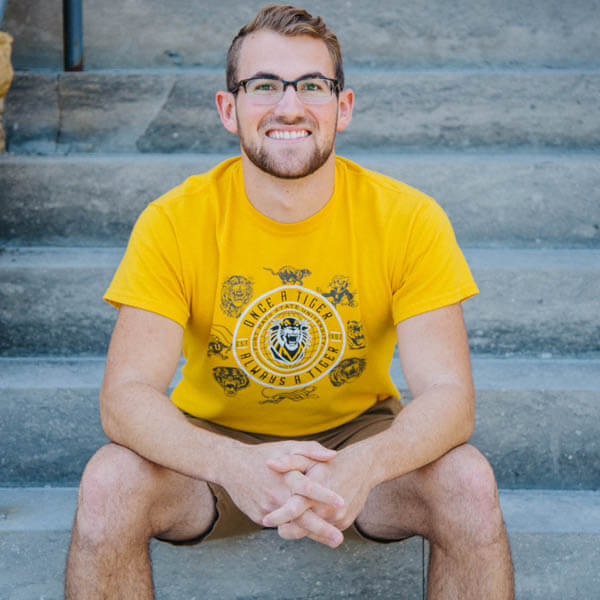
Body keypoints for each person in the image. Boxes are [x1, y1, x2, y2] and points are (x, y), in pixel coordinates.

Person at [65, 4, 514, 598]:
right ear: (229, 109)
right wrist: (232, 465)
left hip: (358, 438)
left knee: (468, 482)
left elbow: (450, 398)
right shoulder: (174, 221)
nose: (289, 105)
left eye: (311, 85)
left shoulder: (408, 219)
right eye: (264, 86)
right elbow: (125, 398)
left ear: (342, 107)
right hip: (211, 446)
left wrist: (363, 466)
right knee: (108, 482)